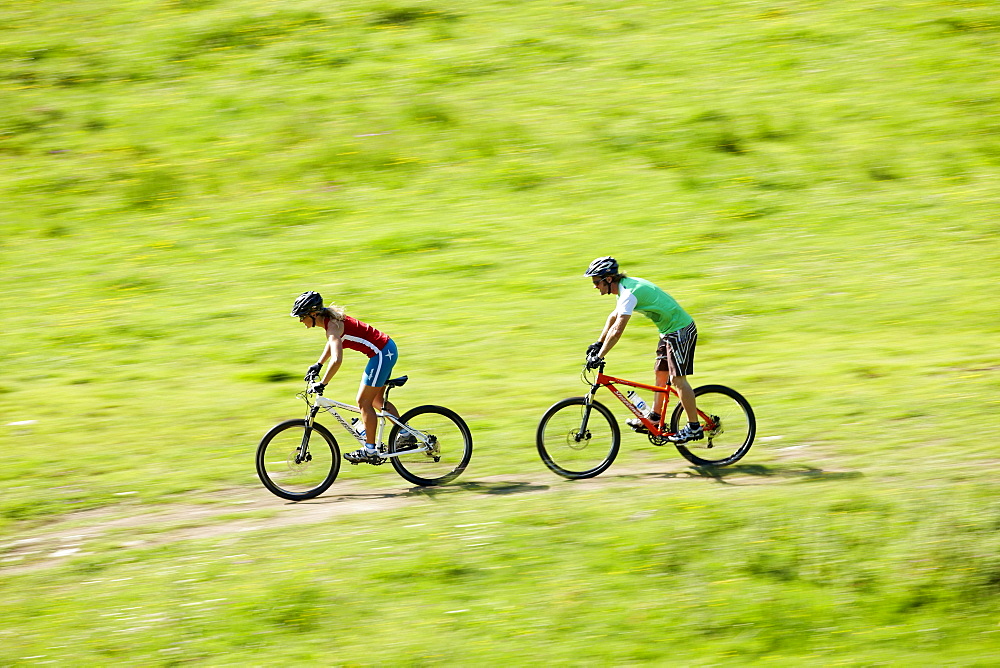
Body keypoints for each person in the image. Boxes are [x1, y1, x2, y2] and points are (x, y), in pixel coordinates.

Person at [583, 257, 703, 444]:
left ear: (608, 279)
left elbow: (617, 331)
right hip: (668, 332)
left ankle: (694, 427)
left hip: (681, 331)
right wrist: (598, 343)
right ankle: (655, 417)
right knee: (660, 374)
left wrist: (600, 356)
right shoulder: (622, 289)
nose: (594, 286)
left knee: (678, 380)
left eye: (596, 281)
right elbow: (613, 317)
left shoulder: (629, 293)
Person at [290, 291, 410, 463]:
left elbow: (337, 360)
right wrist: (319, 364)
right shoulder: (329, 323)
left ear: (314, 314)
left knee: (363, 401)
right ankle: (405, 434)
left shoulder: (332, 327)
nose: (301, 321)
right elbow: (333, 343)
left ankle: (370, 450)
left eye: (302, 316)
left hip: (381, 354)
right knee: (376, 401)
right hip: (387, 349)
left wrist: (323, 383)